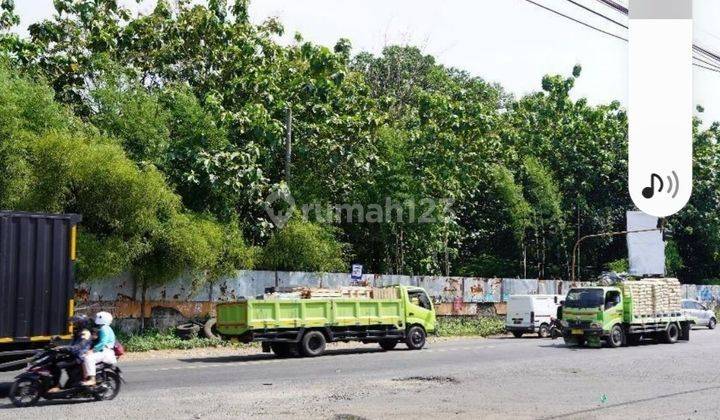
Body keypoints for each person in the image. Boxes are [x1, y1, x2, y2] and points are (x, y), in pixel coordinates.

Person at [48, 314, 94, 393]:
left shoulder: (85, 333)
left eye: (76, 323)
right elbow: (71, 344)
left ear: (81, 324)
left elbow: (79, 346)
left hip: (79, 357)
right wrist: (58, 343)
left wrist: (64, 348)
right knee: (52, 361)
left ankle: (57, 386)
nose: (74, 325)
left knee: (57, 365)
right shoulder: (78, 333)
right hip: (73, 355)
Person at [81, 311, 117, 386]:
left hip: (106, 352)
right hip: (104, 351)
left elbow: (103, 342)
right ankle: (85, 379)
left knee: (88, 358)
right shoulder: (103, 328)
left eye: (97, 317)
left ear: (102, 319)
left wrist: (93, 350)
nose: (96, 319)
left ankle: (92, 380)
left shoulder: (104, 329)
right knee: (83, 358)